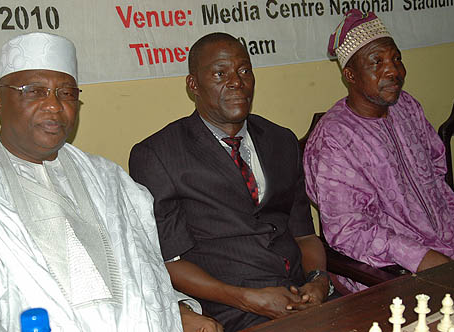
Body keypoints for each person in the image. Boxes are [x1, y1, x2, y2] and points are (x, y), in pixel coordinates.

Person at [0, 32, 223, 332]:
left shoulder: (106, 179)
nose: (54, 106)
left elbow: (143, 273)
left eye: (66, 93)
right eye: (34, 91)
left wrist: (180, 312)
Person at [129, 32, 332, 332]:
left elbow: (304, 235)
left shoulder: (281, 140)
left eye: (244, 71)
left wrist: (319, 280)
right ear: (193, 85)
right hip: (231, 309)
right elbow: (169, 263)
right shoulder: (158, 155)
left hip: (303, 296)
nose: (237, 81)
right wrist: (249, 300)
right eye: (220, 73)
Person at [303, 10, 454, 293]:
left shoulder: (407, 107)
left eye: (396, 59)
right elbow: (349, 231)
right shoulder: (335, 139)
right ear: (349, 75)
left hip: (448, 250)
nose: (393, 71)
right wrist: (420, 257)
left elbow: (439, 183)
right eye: (377, 62)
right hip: (388, 272)